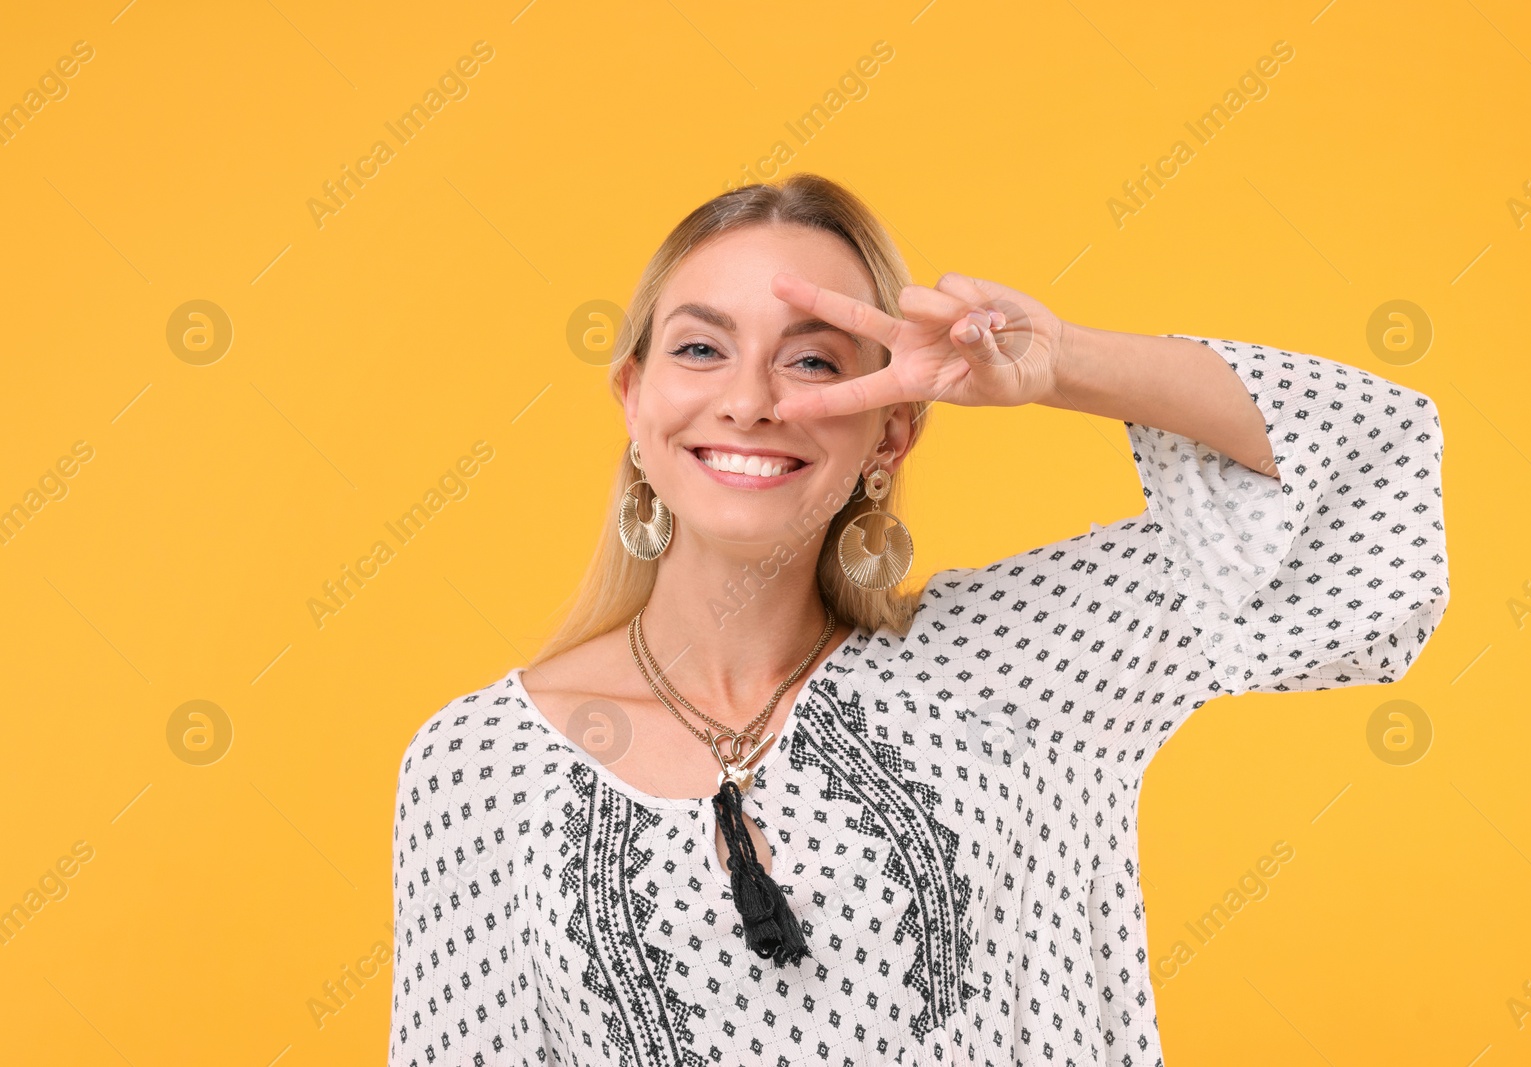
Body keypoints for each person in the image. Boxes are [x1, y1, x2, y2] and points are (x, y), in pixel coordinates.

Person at [387, 173, 1449, 1066]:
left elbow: (1356, 481)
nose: (752, 399)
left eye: (812, 360)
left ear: (890, 430)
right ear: (632, 397)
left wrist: (1057, 362)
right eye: (702, 350)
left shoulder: (1013, 668)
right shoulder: (479, 766)